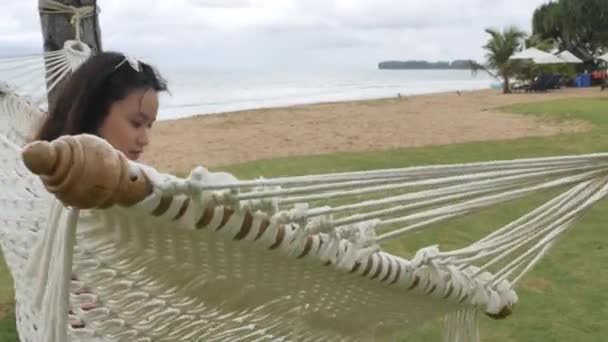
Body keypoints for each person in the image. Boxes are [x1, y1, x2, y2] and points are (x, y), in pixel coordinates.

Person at [36, 51, 168, 161]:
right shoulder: (44, 183)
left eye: (149, 125)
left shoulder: (131, 180)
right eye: (136, 123)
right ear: (93, 112)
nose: (144, 140)